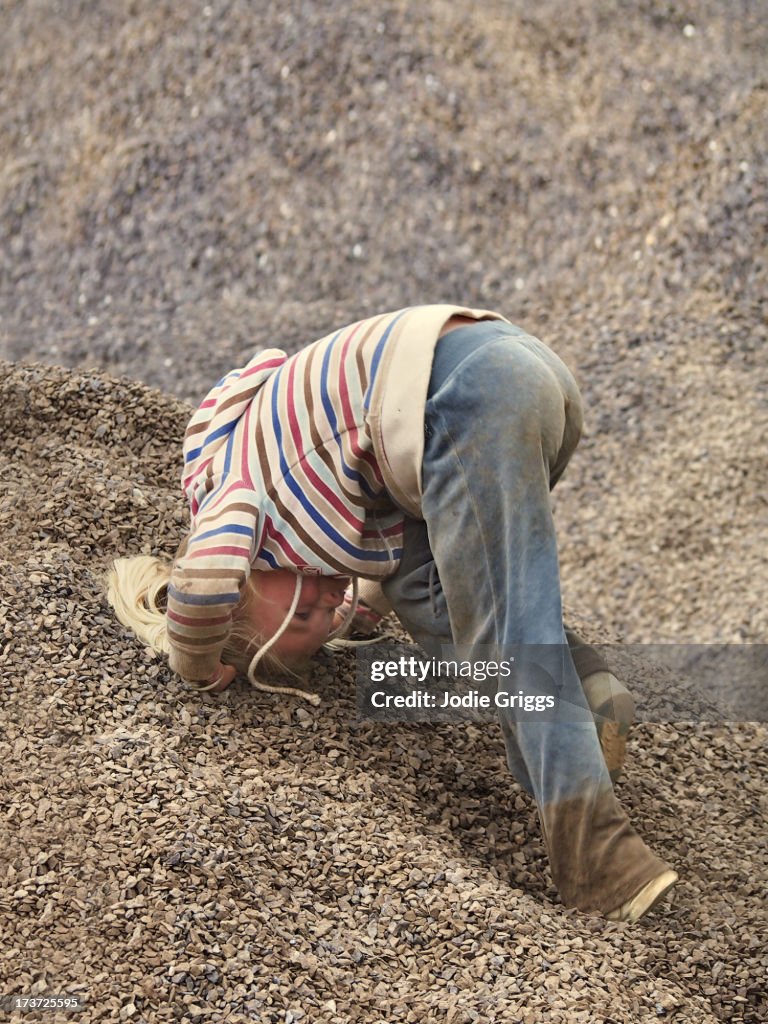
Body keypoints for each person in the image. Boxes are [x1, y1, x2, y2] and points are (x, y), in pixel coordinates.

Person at [108, 304, 677, 921]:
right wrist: (354, 615)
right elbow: (270, 367)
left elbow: (203, 588)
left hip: (461, 401)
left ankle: (604, 863)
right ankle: (589, 688)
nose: (326, 610)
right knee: (436, 600)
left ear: (246, 586)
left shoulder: (227, 510)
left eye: (301, 619)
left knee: (503, 641)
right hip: (517, 367)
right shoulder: (282, 482)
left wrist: (198, 663)